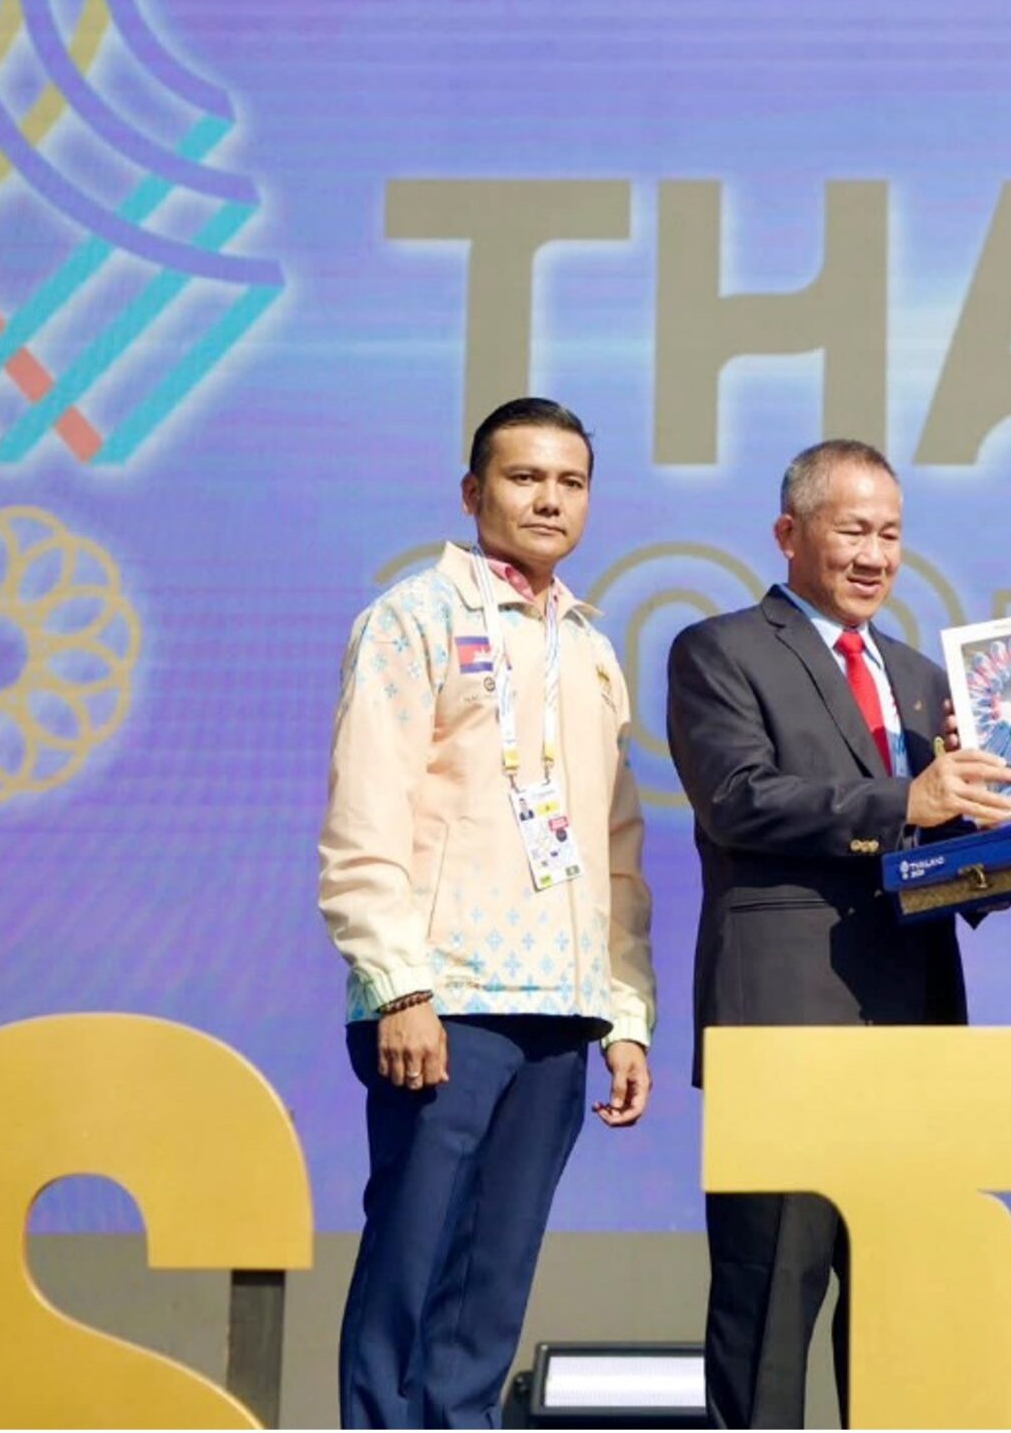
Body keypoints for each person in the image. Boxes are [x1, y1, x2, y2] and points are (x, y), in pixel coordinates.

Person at [318, 397, 656, 1429]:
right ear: (473, 492)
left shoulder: (589, 647)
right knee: (411, 1262)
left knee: (492, 1284)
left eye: (570, 481)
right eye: (524, 477)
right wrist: (400, 988)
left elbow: (615, 850)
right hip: (445, 1000)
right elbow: (363, 822)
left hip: (563, 1007)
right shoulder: (411, 618)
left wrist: (626, 1012)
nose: (549, 499)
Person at [667, 438, 1011, 1429]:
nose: (875, 555)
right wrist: (907, 799)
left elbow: (937, 845)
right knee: (771, 1299)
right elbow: (739, 798)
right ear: (789, 532)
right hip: (787, 1024)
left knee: (901, 1303)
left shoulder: (923, 677)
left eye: (891, 534)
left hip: (913, 1026)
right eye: (852, 529)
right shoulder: (719, 649)